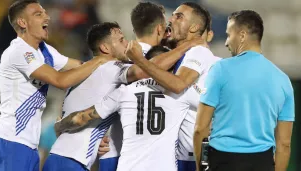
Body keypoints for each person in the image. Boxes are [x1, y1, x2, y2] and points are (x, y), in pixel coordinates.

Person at [43, 22, 200, 171]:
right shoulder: (110, 68)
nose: (127, 44)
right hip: (72, 162)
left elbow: (78, 118)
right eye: (121, 40)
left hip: (61, 157)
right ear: (105, 47)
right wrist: (188, 45)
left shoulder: (90, 70)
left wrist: (62, 126)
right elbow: (144, 70)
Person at [0, 1, 114, 170]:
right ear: (23, 23)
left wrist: (113, 65)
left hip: (27, 144)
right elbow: (60, 81)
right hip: (12, 140)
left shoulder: (44, 50)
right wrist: (99, 59)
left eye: (45, 13)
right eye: (38, 14)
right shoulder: (19, 51)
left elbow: (81, 67)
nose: (47, 17)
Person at [193, 10, 295, 171]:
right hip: (262, 162)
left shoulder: (219, 69)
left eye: (228, 35)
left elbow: (200, 129)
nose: (226, 42)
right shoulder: (283, 80)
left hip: (223, 161)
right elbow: (284, 143)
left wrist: (200, 168)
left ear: (242, 35)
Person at [125, 2, 219, 171]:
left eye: (179, 16)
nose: (171, 19)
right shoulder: (179, 54)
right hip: (179, 156)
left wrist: (139, 60)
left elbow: (178, 85)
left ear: (194, 27)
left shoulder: (198, 52)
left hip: (195, 158)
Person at [98, 2, 167, 170]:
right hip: (154, 158)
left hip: (112, 152)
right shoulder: (169, 62)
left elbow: (92, 95)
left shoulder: (112, 60)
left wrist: (90, 133)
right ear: (160, 29)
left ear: (134, 30)